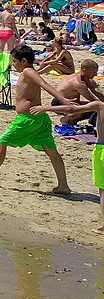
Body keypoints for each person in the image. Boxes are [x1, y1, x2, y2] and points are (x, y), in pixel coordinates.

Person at [0, 45, 72, 194]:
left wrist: (62, 99)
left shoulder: (28, 71)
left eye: (14, 61)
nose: (13, 64)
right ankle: (63, 185)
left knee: (1, 141)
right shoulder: (29, 71)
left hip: (29, 119)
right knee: (52, 151)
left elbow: (44, 84)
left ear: (24, 61)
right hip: (40, 120)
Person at [33, 98, 104, 233]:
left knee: (103, 189)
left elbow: (71, 110)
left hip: (102, 150)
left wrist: (45, 108)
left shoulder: (100, 106)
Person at [52, 60, 103, 125]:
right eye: (93, 72)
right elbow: (92, 99)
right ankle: (65, 120)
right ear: (85, 70)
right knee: (84, 109)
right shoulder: (78, 83)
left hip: (73, 102)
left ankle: (72, 118)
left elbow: (99, 94)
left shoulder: (88, 79)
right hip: (59, 103)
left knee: (91, 107)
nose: (95, 74)